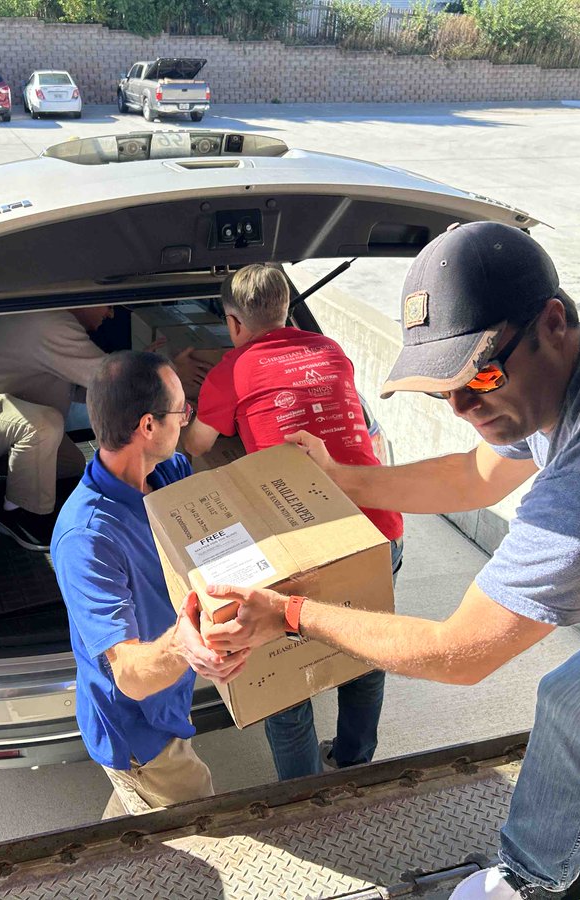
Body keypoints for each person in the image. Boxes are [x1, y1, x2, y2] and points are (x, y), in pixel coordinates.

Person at [196, 221, 580, 900]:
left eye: (480, 373)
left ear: (551, 322)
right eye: (441, 386)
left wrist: (288, 613)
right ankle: (538, 881)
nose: (461, 406)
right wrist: (345, 478)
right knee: (576, 705)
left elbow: (459, 653)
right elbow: (472, 476)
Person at [182, 263, 404, 780]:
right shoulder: (330, 351)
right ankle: (354, 762)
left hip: (302, 541)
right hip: (378, 529)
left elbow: (195, 446)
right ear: (285, 309)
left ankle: (301, 793)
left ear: (234, 325)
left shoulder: (230, 373)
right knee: (364, 649)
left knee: (283, 675)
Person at [50, 350, 248, 816]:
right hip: (137, 727)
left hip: (169, 699)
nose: (187, 420)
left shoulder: (167, 475)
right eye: (182, 411)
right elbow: (131, 676)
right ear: (148, 427)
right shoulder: (87, 538)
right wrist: (185, 646)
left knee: (132, 821)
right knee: (201, 819)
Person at [0, 306, 212, 551]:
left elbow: (89, 387)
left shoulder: (52, 321)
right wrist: (171, 371)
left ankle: (4, 483)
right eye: (108, 306)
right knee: (43, 427)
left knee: (70, 466)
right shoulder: (48, 323)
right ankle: (18, 516)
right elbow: (113, 383)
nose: (109, 315)